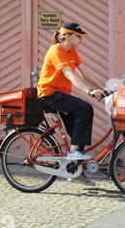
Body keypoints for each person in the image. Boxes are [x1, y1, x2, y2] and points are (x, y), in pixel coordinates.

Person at [37, 22, 106, 162]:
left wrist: (104, 88)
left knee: (77, 131)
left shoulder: (72, 52)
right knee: (85, 108)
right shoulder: (56, 51)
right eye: (78, 36)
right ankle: (74, 153)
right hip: (49, 94)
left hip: (61, 95)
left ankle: (74, 167)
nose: (81, 39)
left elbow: (85, 73)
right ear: (67, 36)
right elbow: (70, 74)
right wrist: (90, 91)